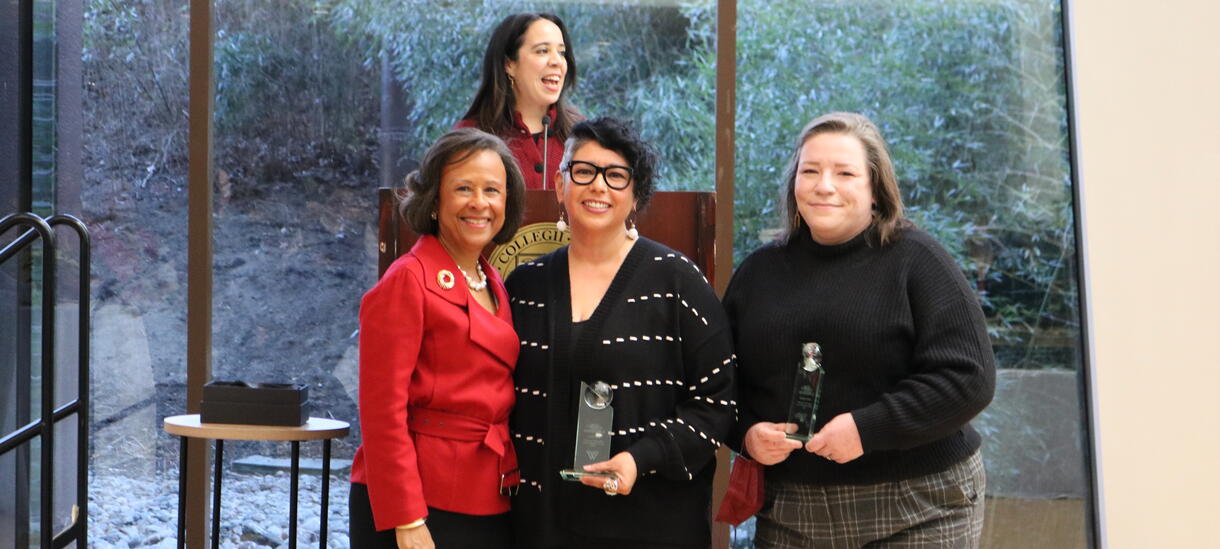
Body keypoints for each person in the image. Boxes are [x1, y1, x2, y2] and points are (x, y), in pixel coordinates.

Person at [724, 112, 996, 548]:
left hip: (921, 504)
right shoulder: (758, 272)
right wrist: (746, 434)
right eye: (809, 171)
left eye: (845, 173)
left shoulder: (919, 261)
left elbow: (969, 379)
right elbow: (716, 385)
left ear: (875, 188)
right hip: (793, 509)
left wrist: (868, 429)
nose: (824, 185)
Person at [506, 117, 736, 548]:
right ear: (560, 186)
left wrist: (639, 458)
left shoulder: (678, 283)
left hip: (651, 525)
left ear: (635, 196)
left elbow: (717, 405)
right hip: (540, 525)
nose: (598, 186)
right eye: (584, 171)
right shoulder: (524, 285)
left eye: (615, 175)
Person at [349, 128, 526, 549]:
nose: (479, 203)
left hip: (487, 492)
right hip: (419, 501)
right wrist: (406, 516)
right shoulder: (408, 279)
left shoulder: (492, 280)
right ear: (435, 200)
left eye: (492, 190)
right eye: (463, 188)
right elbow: (381, 411)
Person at [457, 12, 582, 190]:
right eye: (543, 51)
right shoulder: (469, 137)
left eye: (561, 52)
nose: (557, 62)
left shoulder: (582, 135)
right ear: (509, 65)